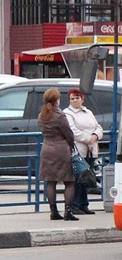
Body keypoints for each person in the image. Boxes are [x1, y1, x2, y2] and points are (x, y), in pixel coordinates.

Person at [37, 88, 79, 221]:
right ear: (56, 101)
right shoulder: (59, 115)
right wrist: (71, 145)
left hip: (47, 148)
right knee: (69, 181)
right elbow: (68, 134)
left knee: (50, 181)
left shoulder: (42, 115)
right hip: (61, 149)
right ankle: (68, 212)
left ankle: (53, 211)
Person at [63, 87, 102, 215]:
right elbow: (73, 131)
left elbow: (98, 127)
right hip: (78, 150)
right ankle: (75, 205)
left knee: (87, 177)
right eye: (72, 98)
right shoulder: (68, 113)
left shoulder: (88, 112)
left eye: (77, 98)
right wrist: (88, 139)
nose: (74, 101)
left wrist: (95, 136)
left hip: (91, 150)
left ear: (82, 99)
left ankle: (84, 205)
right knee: (78, 178)